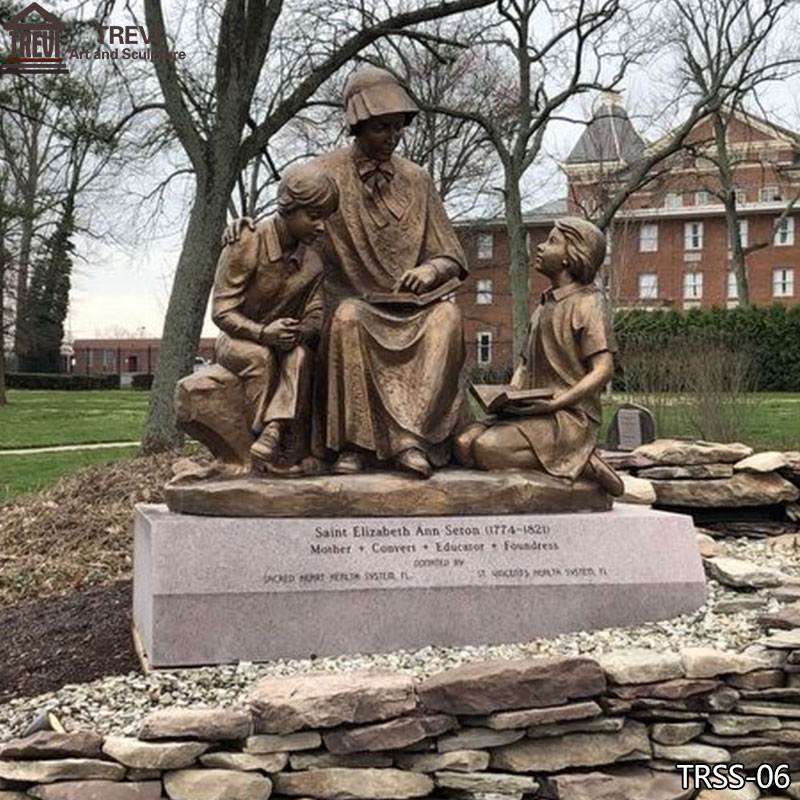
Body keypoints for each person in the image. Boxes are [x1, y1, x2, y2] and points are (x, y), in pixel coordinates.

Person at [311, 66, 468, 478]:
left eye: (398, 128)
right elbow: (291, 226)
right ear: (357, 124)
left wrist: (431, 270)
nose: (392, 137)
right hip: (353, 306)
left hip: (413, 310)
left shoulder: (417, 180)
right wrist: (245, 231)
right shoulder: (325, 174)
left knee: (448, 318)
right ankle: (353, 445)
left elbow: (451, 255)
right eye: (382, 128)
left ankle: (409, 439)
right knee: (347, 319)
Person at [454, 217, 624, 496]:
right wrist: (509, 397)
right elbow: (523, 364)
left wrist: (557, 402)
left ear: (571, 257)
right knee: (462, 443)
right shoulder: (544, 306)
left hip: (566, 416)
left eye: (552, 242)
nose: (541, 248)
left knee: (486, 450)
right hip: (531, 410)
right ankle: (562, 458)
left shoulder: (589, 303)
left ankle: (580, 459)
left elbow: (603, 369)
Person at [213, 163, 339, 467]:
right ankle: (257, 445)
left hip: (283, 342)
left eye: (325, 217)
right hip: (237, 339)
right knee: (260, 358)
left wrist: (297, 332)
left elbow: (315, 316)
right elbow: (222, 311)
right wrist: (263, 333)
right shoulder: (246, 241)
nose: (321, 226)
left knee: (299, 356)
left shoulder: (314, 264)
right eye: (313, 216)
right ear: (288, 209)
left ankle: (274, 434)